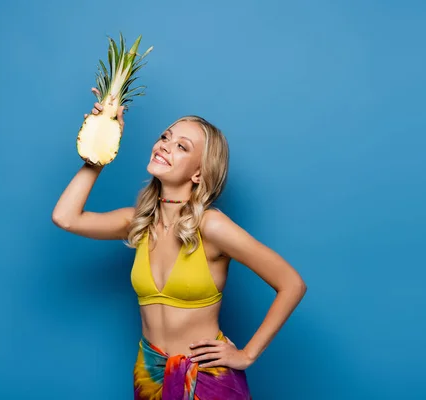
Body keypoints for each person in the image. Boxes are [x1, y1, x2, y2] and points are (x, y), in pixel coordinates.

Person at [52, 90, 308, 399]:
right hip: (149, 376)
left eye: (181, 147)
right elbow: (65, 217)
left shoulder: (211, 226)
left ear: (199, 173)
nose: (164, 146)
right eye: (165, 137)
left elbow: (291, 284)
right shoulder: (138, 221)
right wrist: (99, 149)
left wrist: (247, 354)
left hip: (207, 381)